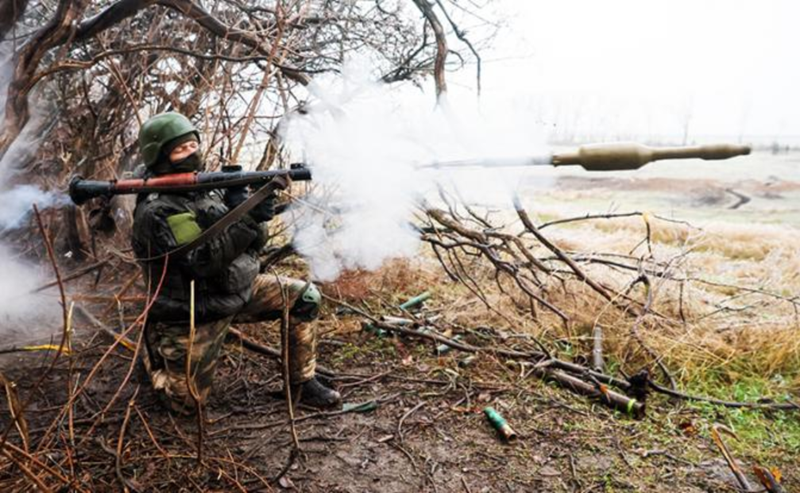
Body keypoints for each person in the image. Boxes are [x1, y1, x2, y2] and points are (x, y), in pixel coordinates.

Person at [131, 111, 341, 414]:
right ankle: (153, 355)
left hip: (234, 289)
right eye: (179, 150)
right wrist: (247, 219)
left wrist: (248, 209)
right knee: (186, 404)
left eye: (192, 145)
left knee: (304, 298)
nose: (191, 154)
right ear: (160, 157)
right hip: (193, 308)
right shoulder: (159, 209)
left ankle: (301, 383)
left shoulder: (205, 186)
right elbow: (201, 263)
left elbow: (254, 244)